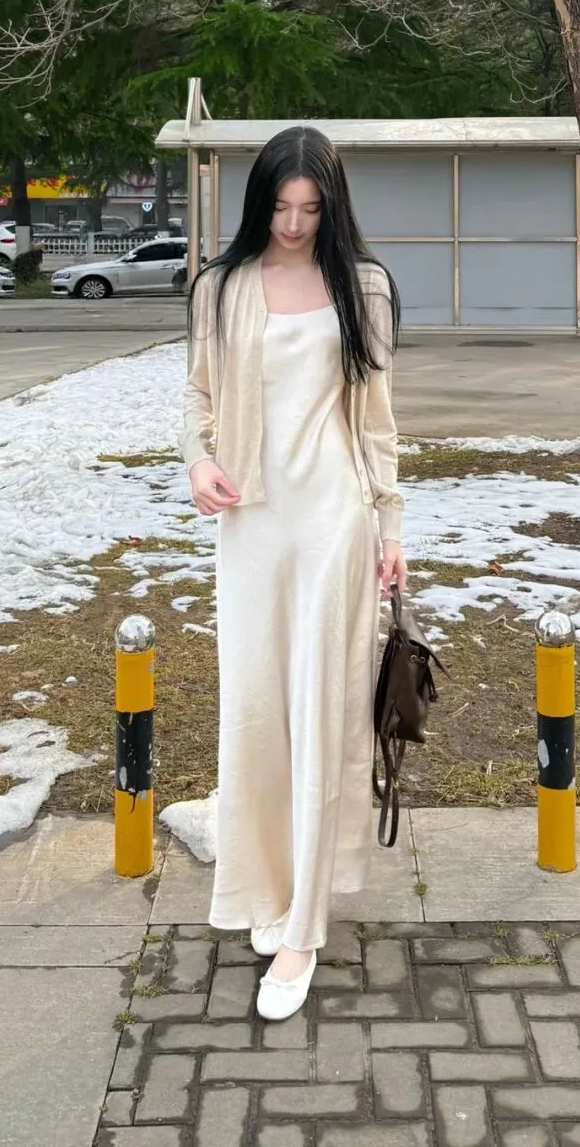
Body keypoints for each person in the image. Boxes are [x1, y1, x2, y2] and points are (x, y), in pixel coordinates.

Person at [179, 125, 407, 1021]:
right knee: (257, 711)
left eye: (311, 208)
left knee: (321, 712)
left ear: (332, 206)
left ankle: (304, 926)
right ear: (258, 202)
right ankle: (265, 888)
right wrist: (198, 462)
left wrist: (391, 523)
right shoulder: (222, 286)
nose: (294, 224)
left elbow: (377, 420)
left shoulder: (363, 286)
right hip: (250, 523)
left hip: (332, 522)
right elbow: (198, 396)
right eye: (280, 206)